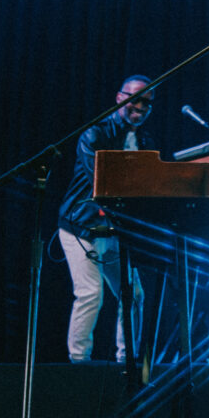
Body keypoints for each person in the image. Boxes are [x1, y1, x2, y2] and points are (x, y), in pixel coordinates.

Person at [58, 76, 154, 363]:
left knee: (133, 295)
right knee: (90, 294)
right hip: (80, 227)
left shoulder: (145, 140)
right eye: (135, 99)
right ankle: (78, 363)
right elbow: (101, 184)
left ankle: (128, 361)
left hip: (112, 231)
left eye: (147, 103)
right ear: (119, 97)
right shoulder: (94, 134)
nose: (140, 107)